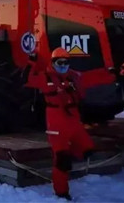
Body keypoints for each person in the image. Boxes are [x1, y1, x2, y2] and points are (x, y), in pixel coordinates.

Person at [24, 47, 94, 201]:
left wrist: (114, 73)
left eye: (65, 62)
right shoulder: (45, 77)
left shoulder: (74, 76)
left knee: (88, 150)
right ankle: (61, 191)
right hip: (56, 123)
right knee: (62, 159)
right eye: (59, 62)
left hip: (74, 121)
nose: (63, 65)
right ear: (53, 62)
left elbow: (93, 77)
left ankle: (73, 155)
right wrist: (31, 62)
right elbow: (26, 80)